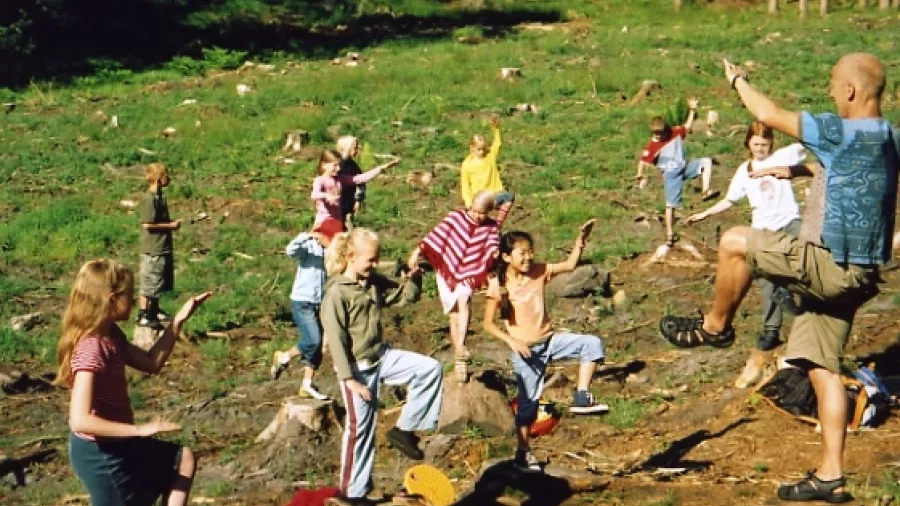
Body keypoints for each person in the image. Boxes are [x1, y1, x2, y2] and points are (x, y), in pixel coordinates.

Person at [659, 54, 899, 503]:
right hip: (860, 276)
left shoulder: (839, 130)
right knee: (822, 370)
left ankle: (714, 327)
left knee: (733, 240)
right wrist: (799, 170)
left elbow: (766, 114)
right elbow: (849, 170)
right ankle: (831, 476)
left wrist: (738, 80)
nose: (830, 92)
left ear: (850, 91)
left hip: (826, 264)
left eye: (833, 85)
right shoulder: (889, 139)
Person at [55, 259, 211, 506]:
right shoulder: (92, 349)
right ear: (112, 299)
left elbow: (151, 362)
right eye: (130, 293)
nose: (138, 300)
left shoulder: (111, 335)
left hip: (120, 444)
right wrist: (140, 430)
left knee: (182, 460)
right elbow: (80, 419)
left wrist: (176, 323)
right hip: (101, 455)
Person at [321, 228, 443, 506]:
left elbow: (403, 297)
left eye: (377, 259)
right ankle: (351, 494)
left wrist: (414, 277)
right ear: (351, 257)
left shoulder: (371, 282)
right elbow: (336, 341)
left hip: (381, 357)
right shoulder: (337, 294)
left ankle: (405, 429)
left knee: (429, 368)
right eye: (371, 260)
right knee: (360, 430)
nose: (375, 264)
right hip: (357, 369)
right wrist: (349, 379)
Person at [684, 122, 805, 387]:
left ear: (771, 144)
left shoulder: (783, 157)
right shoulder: (743, 171)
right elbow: (730, 200)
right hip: (762, 230)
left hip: (789, 225)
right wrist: (704, 214)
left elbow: (807, 143)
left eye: (764, 144)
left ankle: (803, 313)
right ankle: (771, 332)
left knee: (805, 260)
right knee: (766, 281)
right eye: (756, 144)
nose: (760, 149)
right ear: (748, 144)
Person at [482, 220, 609, 473]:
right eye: (522, 253)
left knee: (592, 344)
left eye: (531, 251)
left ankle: (582, 396)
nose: (529, 257)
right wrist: (512, 341)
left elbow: (571, 265)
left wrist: (580, 241)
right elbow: (487, 323)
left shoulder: (539, 270)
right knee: (528, 405)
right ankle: (522, 452)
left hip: (550, 341)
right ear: (507, 257)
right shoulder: (499, 286)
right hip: (527, 352)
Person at [406, 190, 506, 383]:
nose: (477, 216)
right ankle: (459, 357)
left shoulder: (491, 226)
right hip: (447, 269)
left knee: (464, 300)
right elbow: (436, 235)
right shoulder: (455, 217)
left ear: (489, 212)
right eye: (475, 211)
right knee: (453, 313)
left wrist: (493, 253)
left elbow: (492, 243)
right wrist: (416, 253)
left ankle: (461, 345)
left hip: (469, 272)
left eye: (482, 213)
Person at [270, 217, 345, 400]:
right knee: (313, 340)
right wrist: (306, 236)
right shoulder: (308, 248)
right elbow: (290, 251)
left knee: (318, 347)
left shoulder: (332, 254)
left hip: (321, 302)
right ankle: (284, 357)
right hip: (302, 302)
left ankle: (306, 384)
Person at [635, 98, 718, 246]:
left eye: (661, 134)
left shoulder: (674, 133)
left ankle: (705, 191)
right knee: (671, 205)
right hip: (671, 174)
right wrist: (640, 173)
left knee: (706, 162)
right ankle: (669, 234)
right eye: (656, 134)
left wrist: (692, 109)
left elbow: (687, 126)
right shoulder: (653, 145)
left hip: (684, 167)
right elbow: (643, 160)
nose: (658, 137)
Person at [138, 163, 182, 331]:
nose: (168, 178)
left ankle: (154, 310)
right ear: (158, 178)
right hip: (153, 248)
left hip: (162, 246)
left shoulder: (159, 197)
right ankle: (145, 314)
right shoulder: (149, 199)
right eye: (165, 175)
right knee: (150, 281)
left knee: (158, 281)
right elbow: (147, 224)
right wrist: (170, 226)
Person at [311, 150, 398, 229]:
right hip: (324, 222)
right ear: (324, 165)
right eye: (335, 165)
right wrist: (326, 195)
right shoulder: (320, 180)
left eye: (339, 165)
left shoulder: (340, 179)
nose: (338, 168)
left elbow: (359, 178)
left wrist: (380, 168)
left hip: (337, 221)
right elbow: (314, 194)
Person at [460, 114, 515, 223]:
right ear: (472, 148)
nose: (482, 152)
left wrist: (495, 129)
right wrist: (468, 202)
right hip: (478, 198)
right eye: (479, 149)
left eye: (483, 148)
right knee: (479, 217)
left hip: (493, 193)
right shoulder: (467, 164)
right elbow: (465, 184)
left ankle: (498, 223)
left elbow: (497, 143)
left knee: (509, 197)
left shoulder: (489, 155)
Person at [335, 137, 399, 230]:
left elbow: (361, 181)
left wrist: (357, 200)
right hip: (337, 204)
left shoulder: (353, 166)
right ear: (347, 148)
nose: (357, 150)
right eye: (355, 148)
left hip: (348, 204)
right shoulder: (338, 166)